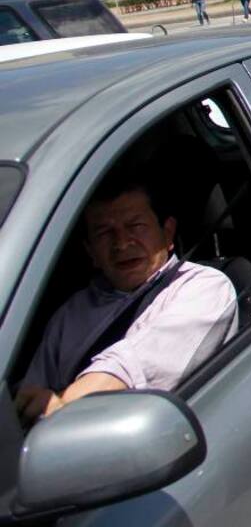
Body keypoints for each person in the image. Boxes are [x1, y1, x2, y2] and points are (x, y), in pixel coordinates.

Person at [15, 173, 237, 424]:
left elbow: (138, 363)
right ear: (91, 252)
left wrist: (66, 405)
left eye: (135, 227)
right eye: (105, 233)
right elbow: (32, 393)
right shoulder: (71, 313)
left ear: (167, 232)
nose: (121, 244)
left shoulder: (203, 287)